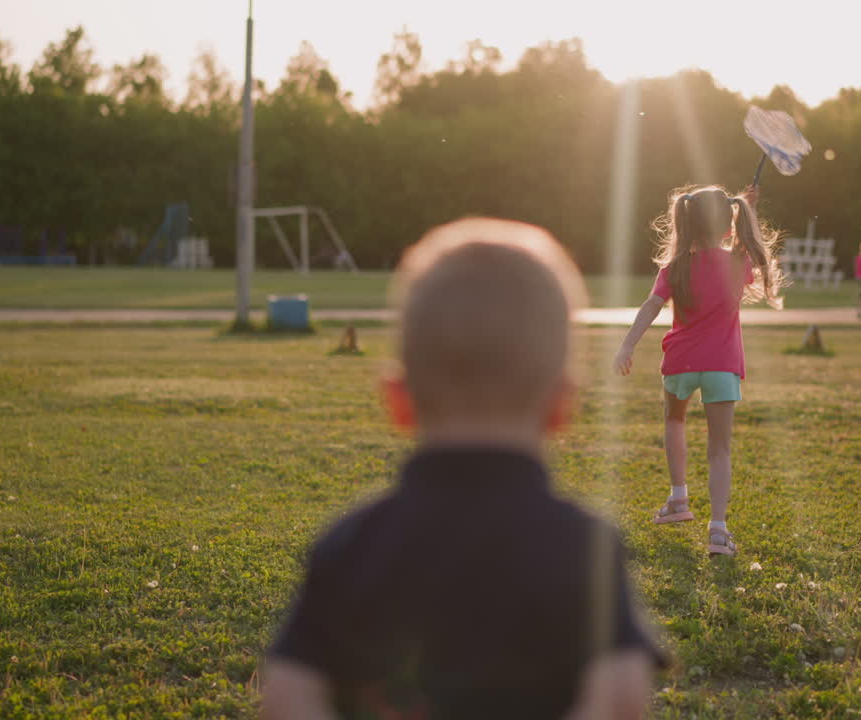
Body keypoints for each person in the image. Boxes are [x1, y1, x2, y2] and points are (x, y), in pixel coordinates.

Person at [262, 218, 665, 720]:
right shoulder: (585, 547)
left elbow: (286, 695)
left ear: (397, 403)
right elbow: (622, 697)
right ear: (563, 406)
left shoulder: (350, 544)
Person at [612, 186, 784, 557]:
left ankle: (678, 500)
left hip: (680, 364)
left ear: (687, 221)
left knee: (675, 423)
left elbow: (650, 307)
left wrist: (627, 345)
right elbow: (744, 244)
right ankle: (718, 532)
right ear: (728, 225)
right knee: (719, 449)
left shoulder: (674, 267)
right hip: (722, 366)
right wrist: (745, 213)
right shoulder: (738, 262)